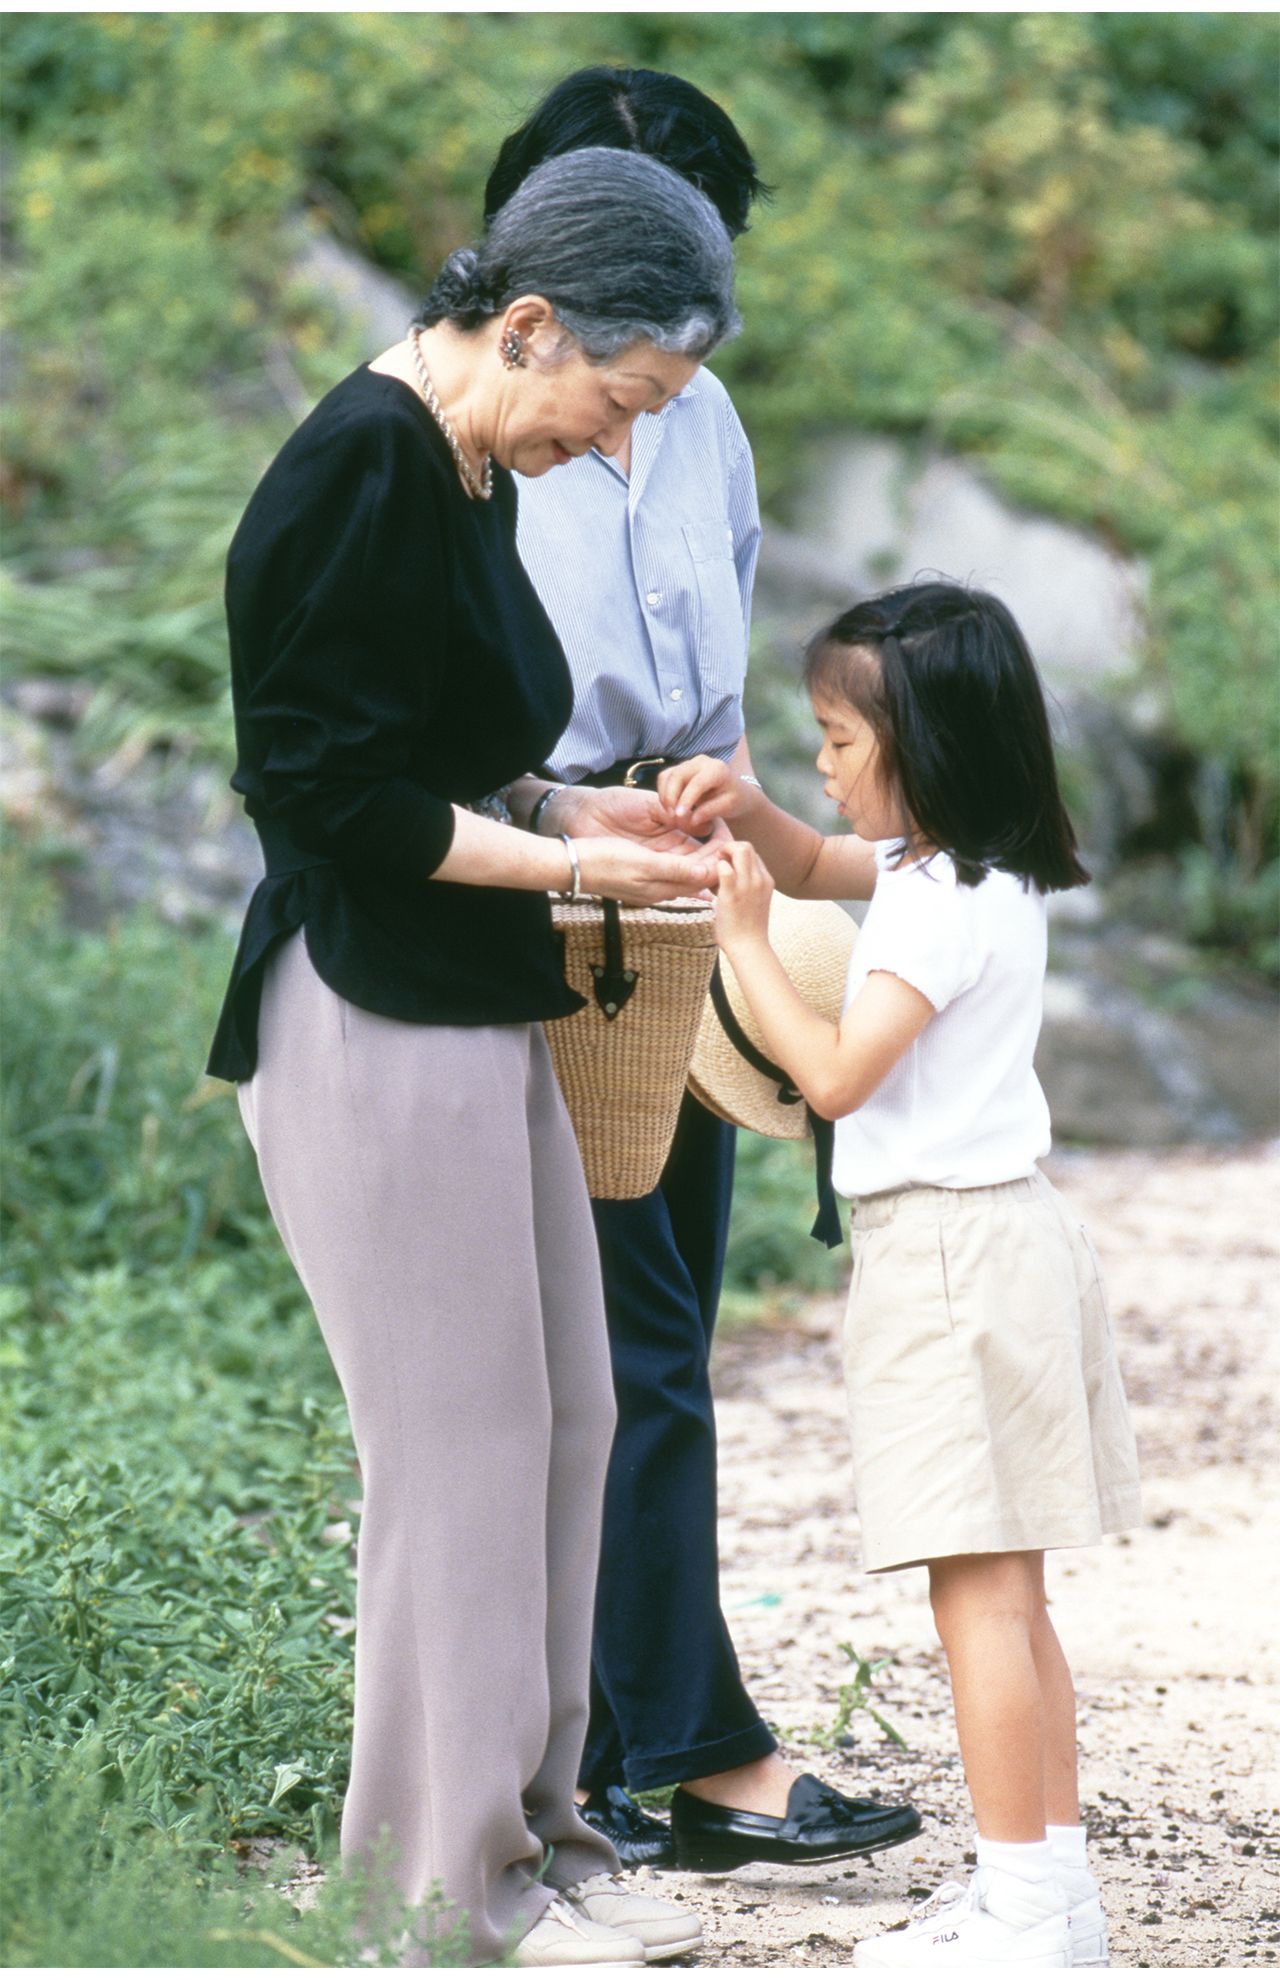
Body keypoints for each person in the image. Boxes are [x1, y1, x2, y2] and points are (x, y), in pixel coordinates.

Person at [206, 147, 747, 1969]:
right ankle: (442, 1894)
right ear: (527, 324)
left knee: (571, 1419)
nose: (611, 448)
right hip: (365, 1006)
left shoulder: (464, 465)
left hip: (474, 990)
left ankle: (544, 1827)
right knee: (453, 1456)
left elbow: (449, 754)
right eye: (618, 400)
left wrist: (578, 808)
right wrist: (570, 859)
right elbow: (330, 794)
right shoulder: (354, 465)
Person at [487, 64, 922, 1877]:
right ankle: (683, 1757)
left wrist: (744, 829)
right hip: (533, 874)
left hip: (681, 874)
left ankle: (624, 1747)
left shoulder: (708, 415)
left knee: (643, 1320)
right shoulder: (469, 416)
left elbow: (718, 640)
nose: (675, 317)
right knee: (615, 1338)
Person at [658, 581, 1143, 1967]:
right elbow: (819, 862)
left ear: (921, 743)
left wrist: (742, 944)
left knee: (974, 1599)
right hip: (1011, 1238)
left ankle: (1020, 1913)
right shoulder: (978, 868)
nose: (819, 762)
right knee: (1015, 1592)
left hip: (942, 1254)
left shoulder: (933, 905)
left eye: (835, 736)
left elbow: (831, 1076)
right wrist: (748, 819)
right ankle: (1052, 1897)